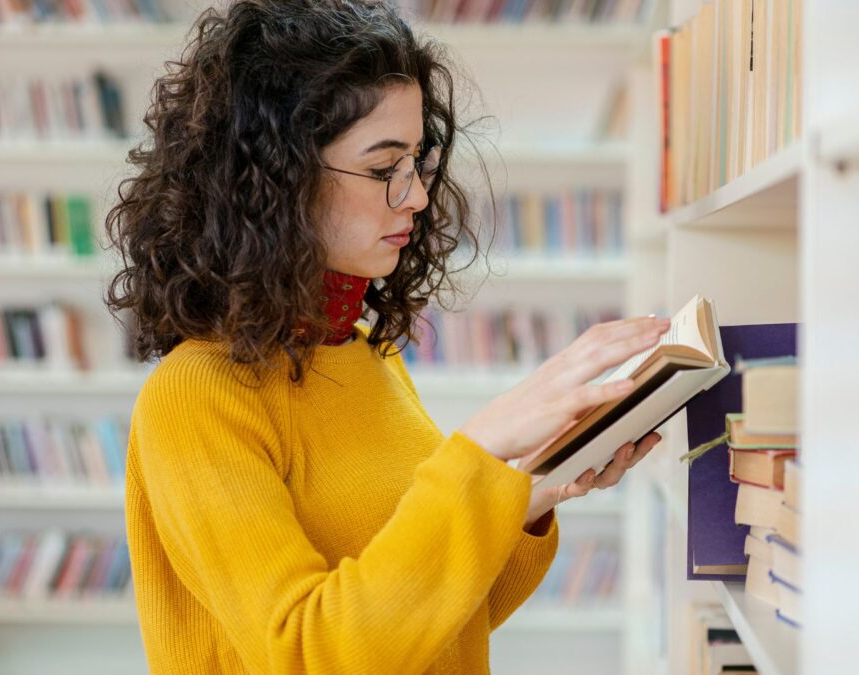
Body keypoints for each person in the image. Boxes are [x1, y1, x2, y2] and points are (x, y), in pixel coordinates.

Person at [104, 0, 669, 672]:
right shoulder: (194, 397)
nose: (418, 198)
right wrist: (481, 450)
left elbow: (434, 626)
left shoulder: (366, 351)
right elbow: (310, 653)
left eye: (418, 163)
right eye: (382, 169)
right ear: (275, 179)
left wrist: (526, 493)